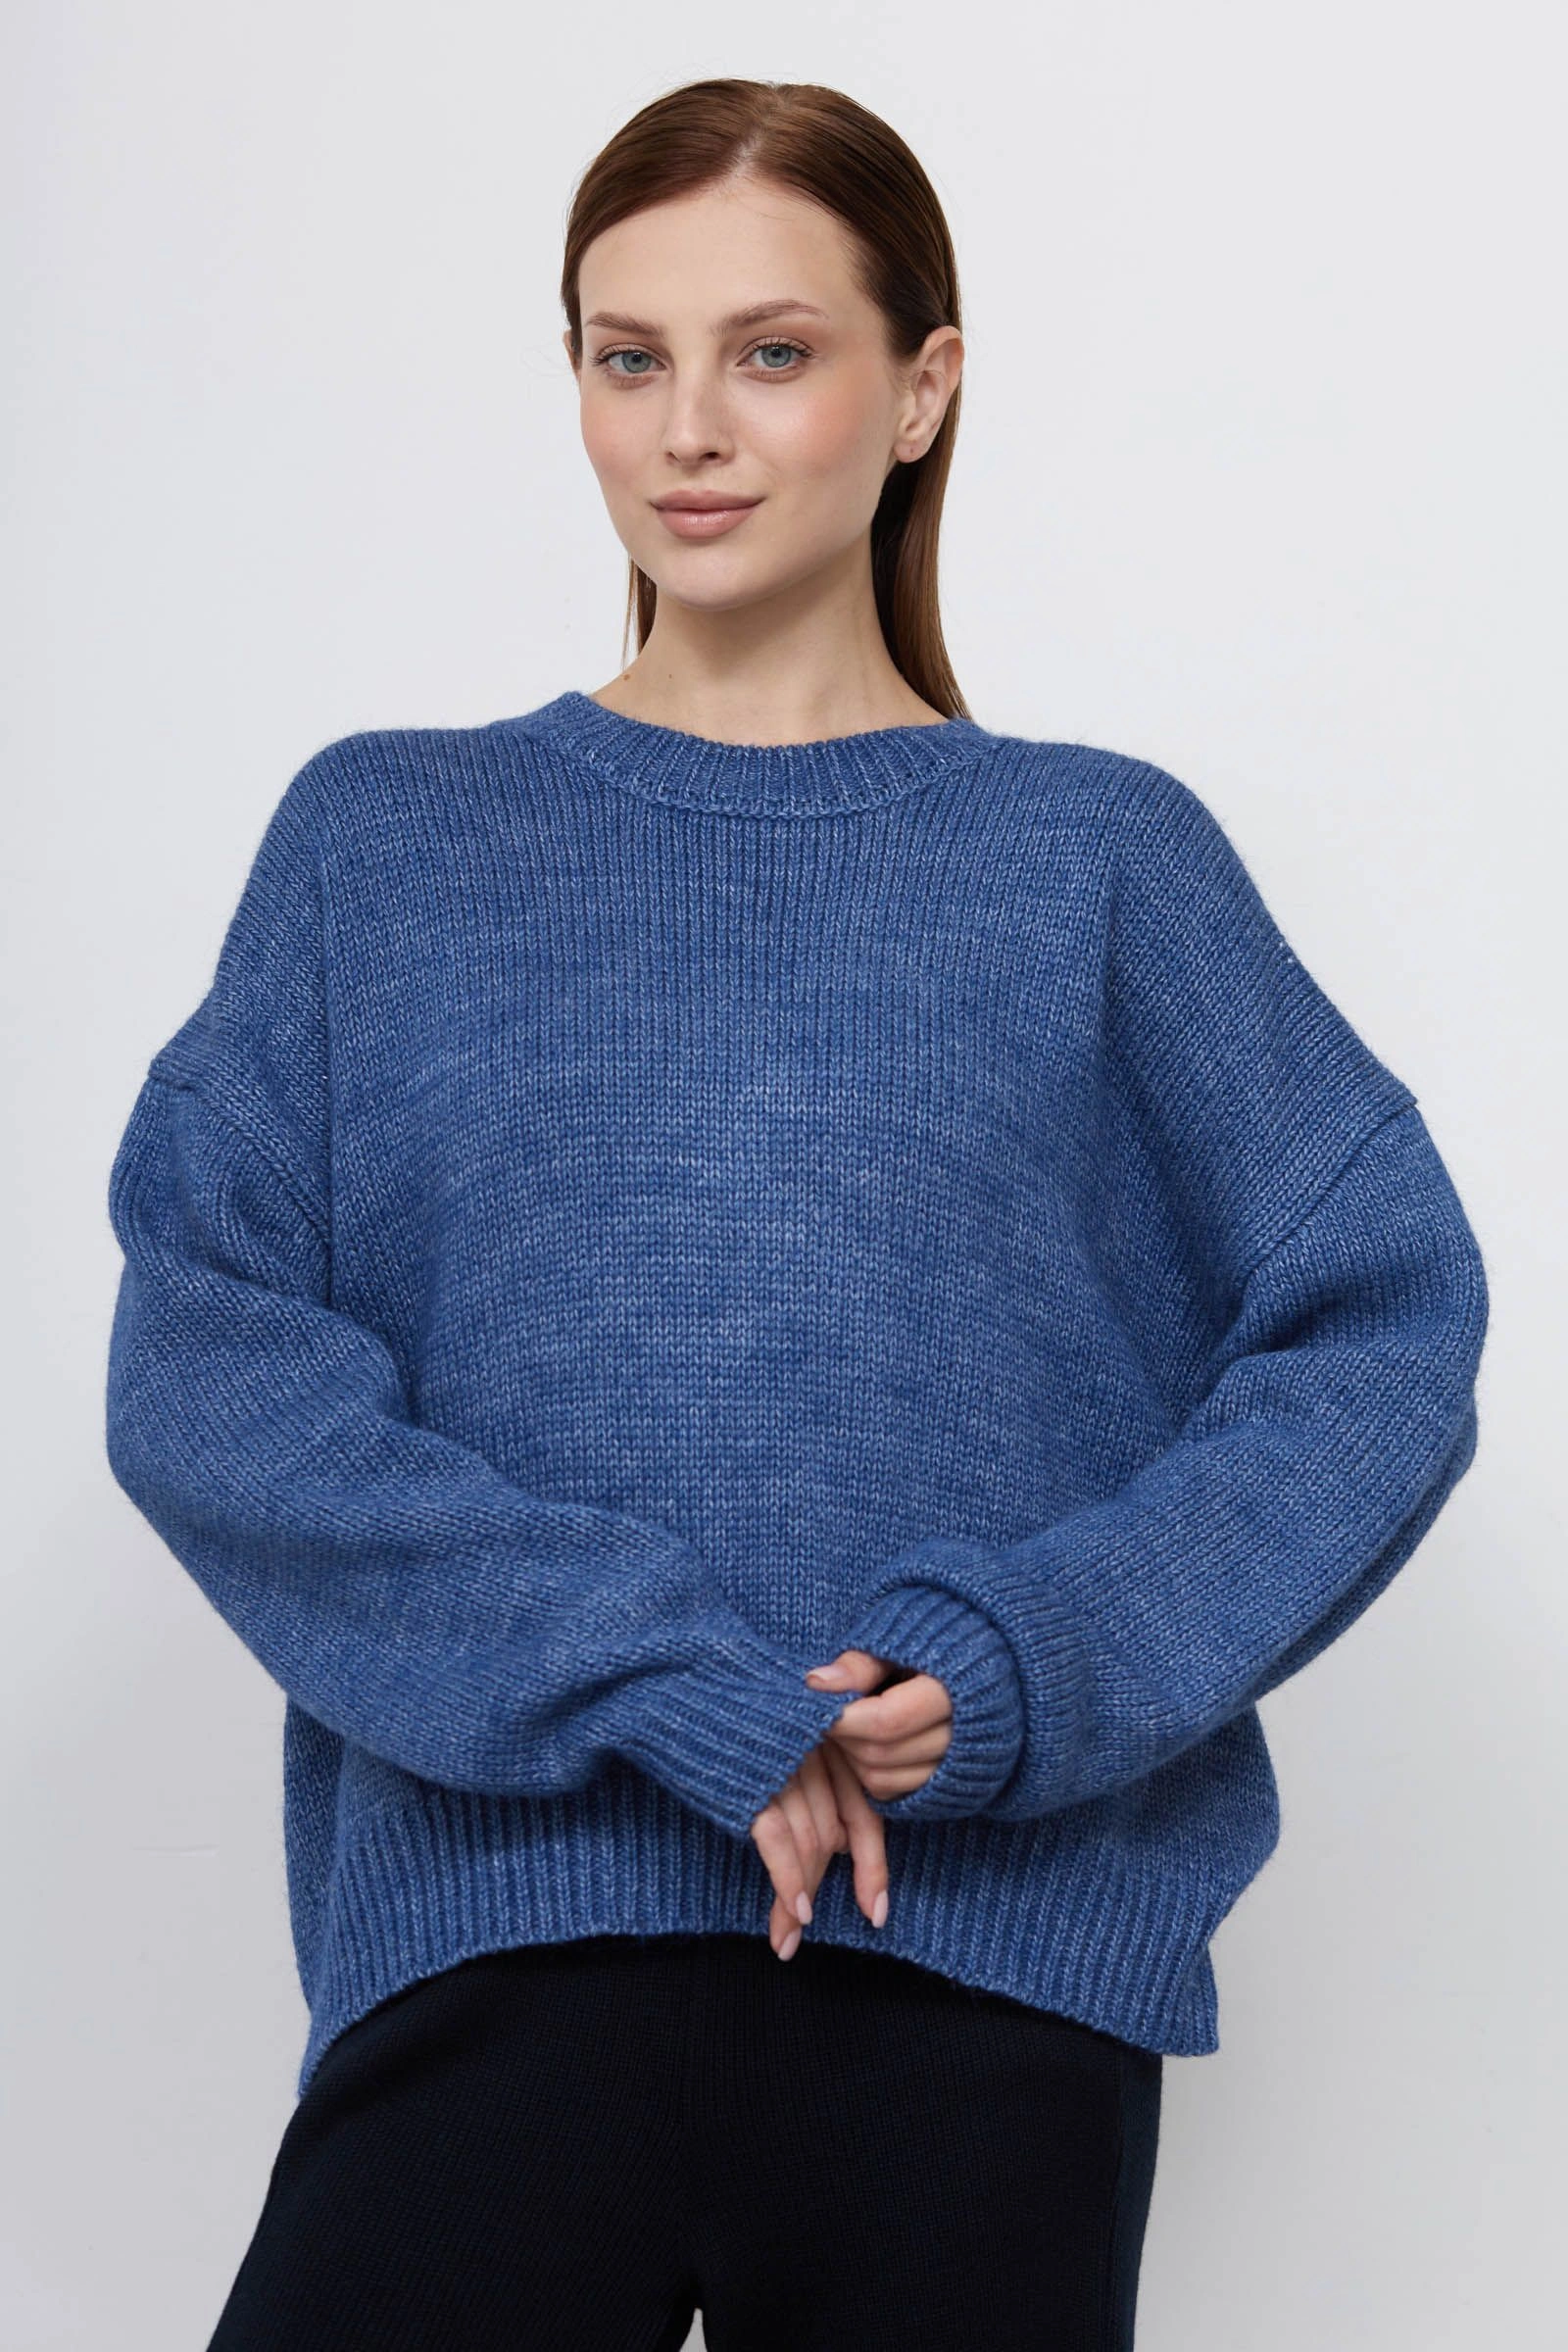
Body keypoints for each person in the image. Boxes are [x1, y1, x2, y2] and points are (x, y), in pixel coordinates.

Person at [102, 75, 1489, 2352]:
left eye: (770, 352)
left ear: (919, 387)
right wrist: (662, 1676)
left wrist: (1026, 1662)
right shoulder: (385, 844)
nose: (687, 429)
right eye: (623, 355)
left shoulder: (1093, 859)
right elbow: (209, 1363)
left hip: (973, 1993)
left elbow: (1380, 1328)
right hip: (497, 1951)